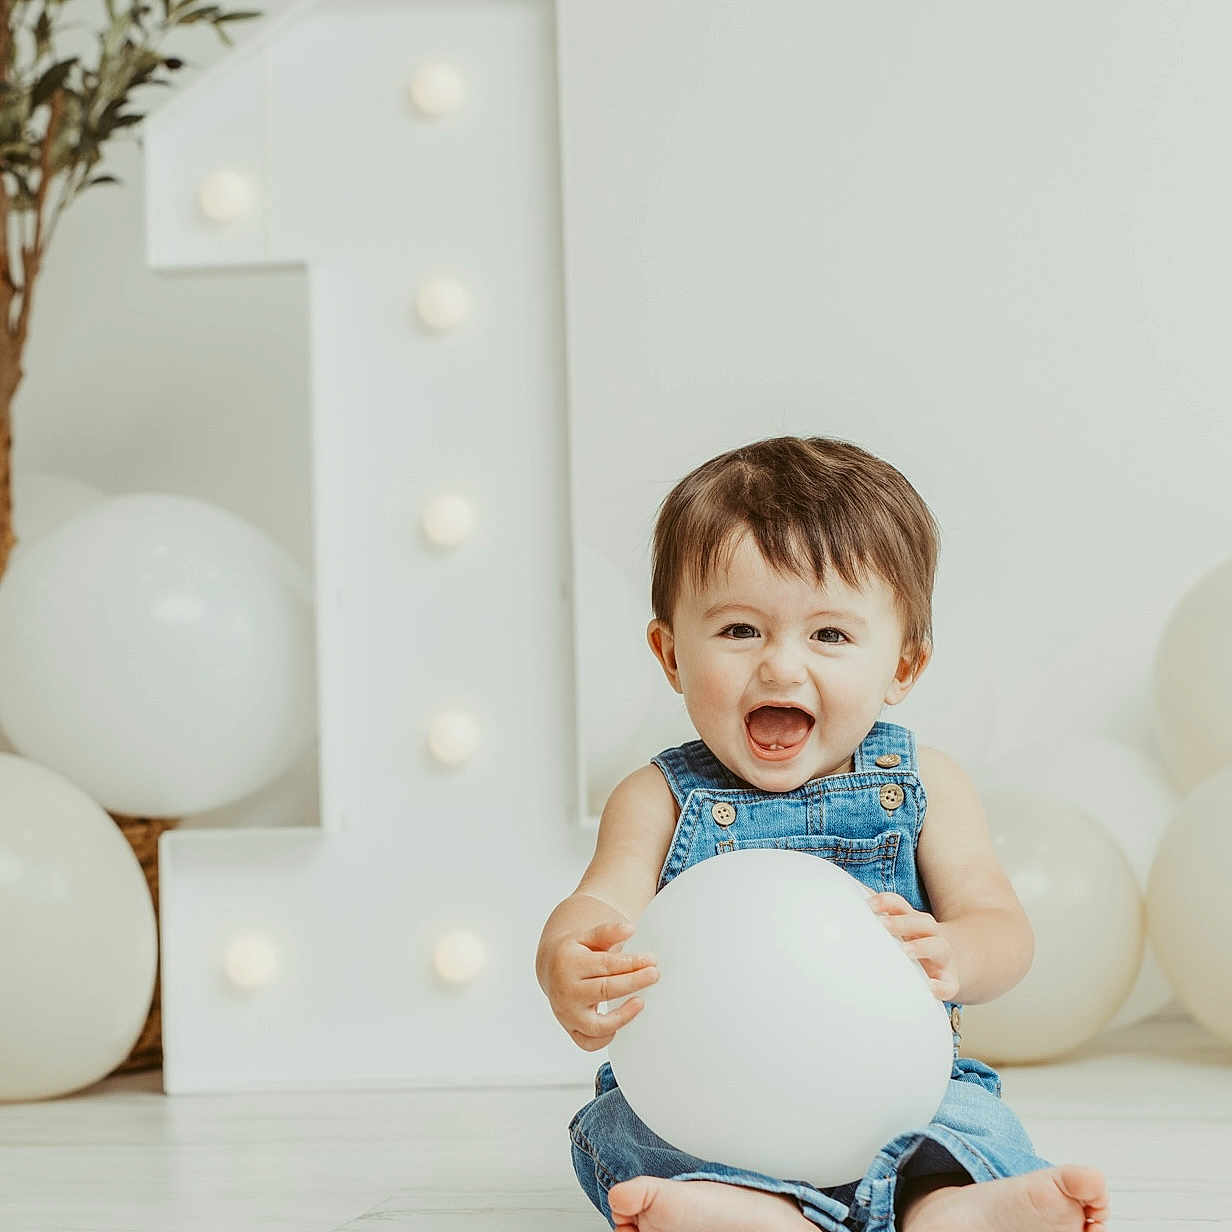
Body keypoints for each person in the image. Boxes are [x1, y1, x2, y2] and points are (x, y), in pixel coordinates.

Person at [536, 435, 1110, 1232]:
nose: (779, 667)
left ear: (902, 667)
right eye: (740, 630)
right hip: (711, 1099)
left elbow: (1001, 927)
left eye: (830, 636)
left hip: (897, 1091)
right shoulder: (657, 799)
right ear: (670, 653)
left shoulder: (926, 784)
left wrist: (958, 952)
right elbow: (600, 904)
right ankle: (749, 1209)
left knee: (969, 1118)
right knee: (618, 1128)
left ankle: (947, 1206)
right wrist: (568, 959)